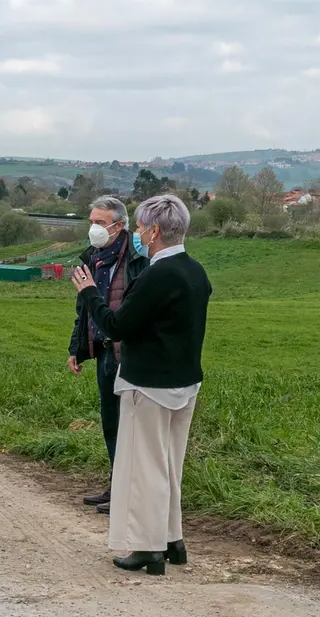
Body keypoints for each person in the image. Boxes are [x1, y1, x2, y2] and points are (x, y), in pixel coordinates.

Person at [71, 194, 210, 575]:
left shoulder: (156, 274)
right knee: (169, 465)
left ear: (153, 231)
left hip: (149, 385)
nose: (140, 234)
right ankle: (171, 540)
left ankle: (147, 548)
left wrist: (88, 292)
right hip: (185, 382)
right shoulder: (195, 271)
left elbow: (117, 326)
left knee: (145, 467)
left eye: (143, 227)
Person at [69, 196, 149, 515]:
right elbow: (85, 307)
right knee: (111, 423)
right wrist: (76, 348)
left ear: (119, 225)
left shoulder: (137, 257)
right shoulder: (94, 258)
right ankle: (117, 485)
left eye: (100, 223)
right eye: (91, 222)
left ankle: (130, 492)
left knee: (131, 425)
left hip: (127, 352)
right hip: (103, 351)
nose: (94, 229)